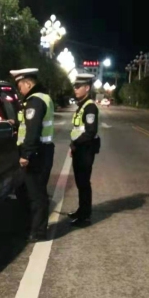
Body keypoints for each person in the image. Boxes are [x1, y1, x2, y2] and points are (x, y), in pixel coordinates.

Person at [10, 68, 55, 242]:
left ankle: (39, 232)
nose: (20, 90)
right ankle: (34, 226)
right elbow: (29, 124)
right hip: (41, 151)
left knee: (37, 195)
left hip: (37, 153)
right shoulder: (42, 98)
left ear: (28, 84)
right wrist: (16, 123)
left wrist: (26, 154)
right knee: (29, 191)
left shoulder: (35, 101)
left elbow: (33, 130)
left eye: (20, 86)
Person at [68, 73, 100, 226]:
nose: (75, 89)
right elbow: (77, 129)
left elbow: (90, 132)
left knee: (84, 183)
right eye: (75, 86)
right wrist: (73, 145)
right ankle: (81, 210)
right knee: (80, 183)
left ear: (87, 88)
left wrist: (75, 143)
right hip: (80, 149)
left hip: (86, 150)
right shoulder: (82, 105)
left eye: (78, 86)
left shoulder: (90, 107)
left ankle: (85, 216)